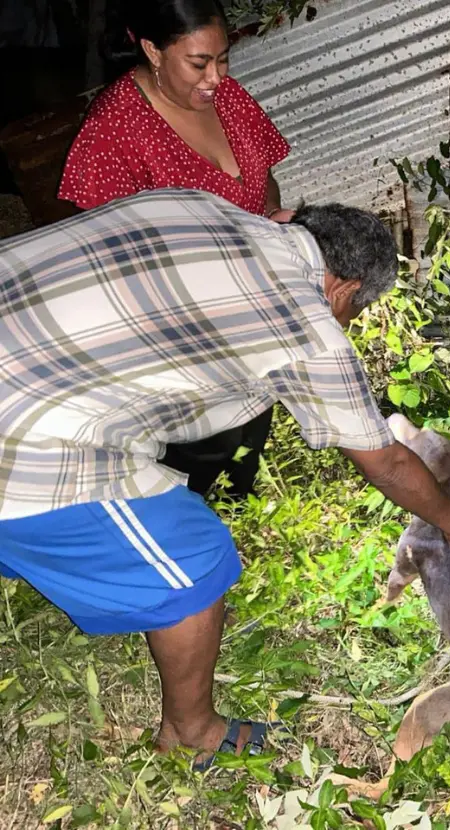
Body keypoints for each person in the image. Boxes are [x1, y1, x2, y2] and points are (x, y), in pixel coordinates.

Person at [0, 187, 450, 768]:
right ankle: (192, 732)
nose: (346, 324)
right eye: (352, 315)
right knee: (195, 561)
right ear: (347, 290)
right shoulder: (307, 324)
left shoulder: (196, 203)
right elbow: (384, 460)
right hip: (20, 433)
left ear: (292, 223)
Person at [57, 0, 294, 501]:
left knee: (248, 434)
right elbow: (105, 254)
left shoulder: (226, 97)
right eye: (198, 63)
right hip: (179, 334)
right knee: (196, 451)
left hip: (251, 312)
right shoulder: (115, 128)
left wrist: (270, 222)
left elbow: (263, 175)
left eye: (224, 58)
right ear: (151, 50)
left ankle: (237, 510)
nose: (215, 77)